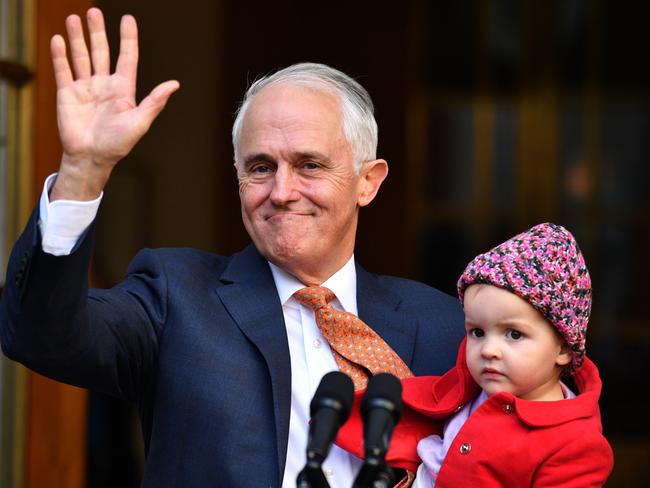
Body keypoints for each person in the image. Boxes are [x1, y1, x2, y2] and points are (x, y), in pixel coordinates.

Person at [0, 8, 464, 488]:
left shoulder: (446, 327)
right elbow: (41, 336)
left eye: (309, 165)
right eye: (261, 167)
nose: (281, 191)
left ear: (368, 181)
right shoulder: (174, 296)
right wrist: (83, 170)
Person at [338, 223, 614, 486]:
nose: (489, 350)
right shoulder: (468, 394)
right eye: (477, 332)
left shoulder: (574, 444)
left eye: (514, 334)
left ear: (564, 348)